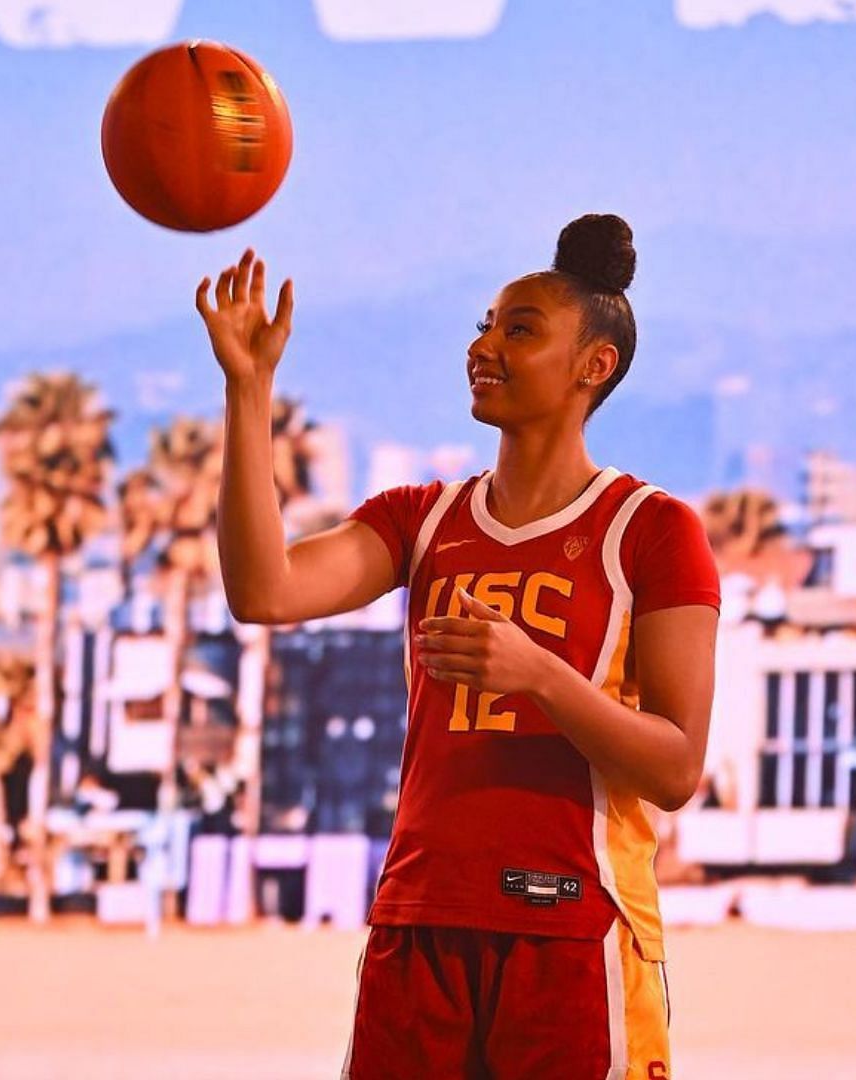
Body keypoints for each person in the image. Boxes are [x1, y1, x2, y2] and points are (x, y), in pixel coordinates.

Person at [197, 214, 719, 1079]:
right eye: (484, 325)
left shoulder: (652, 530)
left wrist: (540, 675)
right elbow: (263, 591)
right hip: (418, 921)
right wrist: (248, 388)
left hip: (572, 928)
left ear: (595, 366)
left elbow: (675, 767)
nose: (485, 345)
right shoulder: (425, 517)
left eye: (520, 330)